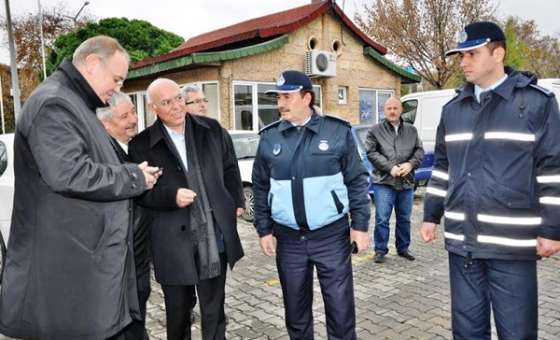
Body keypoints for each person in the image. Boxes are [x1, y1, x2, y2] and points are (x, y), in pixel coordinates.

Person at [0, 36, 160, 339]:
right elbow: (69, 173)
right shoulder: (55, 103)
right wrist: (133, 178)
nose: (118, 89)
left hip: (82, 265)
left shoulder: (73, 102)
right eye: (116, 79)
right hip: (67, 273)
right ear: (91, 64)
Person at [420, 21, 560, 339]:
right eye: (461, 55)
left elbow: (552, 169)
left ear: (498, 53)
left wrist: (552, 229)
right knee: (468, 333)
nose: (463, 62)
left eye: (472, 54)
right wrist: (431, 214)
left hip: (511, 244)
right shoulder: (453, 110)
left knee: (517, 333)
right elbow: (442, 166)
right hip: (463, 246)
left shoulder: (537, 103)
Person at [252, 70, 370, 339]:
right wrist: (264, 229)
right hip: (289, 239)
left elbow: (357, 180)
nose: (280, 103)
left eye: (286, 96)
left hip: (331, 236)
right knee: (296, 314)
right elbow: (260, 186)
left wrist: (360, 225)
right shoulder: (270, 138)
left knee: (341, 313)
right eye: (278, 97)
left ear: (306, 98)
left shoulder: (337, 131)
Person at [128, 78, 244, 340]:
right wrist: (171, 196)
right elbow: (139, 194)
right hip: (171, 241)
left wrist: (235, 202)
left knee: (214, 311)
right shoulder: (141, 145)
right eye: (166, 102)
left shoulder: (211, 129)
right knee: (178, 313)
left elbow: (229, 168)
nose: (176, 106)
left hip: (213, 237)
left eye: (178, 98)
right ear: (153, 107)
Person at [97, 92, 152, 340]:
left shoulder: (134, 147)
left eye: (133, 111)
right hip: (119, 266)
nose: (134, 119)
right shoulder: (102, 158)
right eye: (125, 115)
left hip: (136, 260)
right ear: (105, 123)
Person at [365, 96, 424, 263]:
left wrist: (411, 164)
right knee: (382, 218)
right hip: (384, 181)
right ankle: (380, 250)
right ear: (384, 111)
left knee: (404, 218)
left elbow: (419, 151)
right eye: (389, 108)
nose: (392, 111)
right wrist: (390, 167)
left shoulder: (411, 130)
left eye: (395, 108)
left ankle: (403, 248)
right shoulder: (375, 130)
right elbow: (371, 153)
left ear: (401, 110)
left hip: (406, 181)